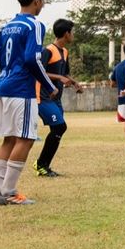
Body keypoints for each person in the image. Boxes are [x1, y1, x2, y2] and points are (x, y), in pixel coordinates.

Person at [0, 0, 59, 205]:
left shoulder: (6, 27)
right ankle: (7, 192)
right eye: (43, 1)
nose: (42, 6)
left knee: (9, 139)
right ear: (37, 0)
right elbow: (32, 58)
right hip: (21, 90)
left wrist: (11, 70)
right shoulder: (34, 25)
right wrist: (49, 86)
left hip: (3, 86)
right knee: (25, 138)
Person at [33, 19, 83, 177]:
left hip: (56, 98)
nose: (73, 35)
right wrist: (59, 78)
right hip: (42, 96)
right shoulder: (48, 50)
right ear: (66, 33)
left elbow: (64, 72)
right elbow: (39, 71)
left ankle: (43, 165)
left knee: (58, 129)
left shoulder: (65, 52)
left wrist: (74, 82)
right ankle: (41, 164)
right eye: (72, 32)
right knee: (60, 127)